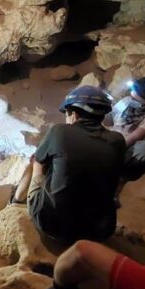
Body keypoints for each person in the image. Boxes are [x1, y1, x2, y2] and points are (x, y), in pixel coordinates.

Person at [10, 86, 126, 245]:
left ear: (74, 114)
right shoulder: (117, 140)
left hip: (54, 226)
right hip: (100, 231)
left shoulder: (60, 131)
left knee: (36, 160)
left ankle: (15, 202)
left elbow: (40, 158)